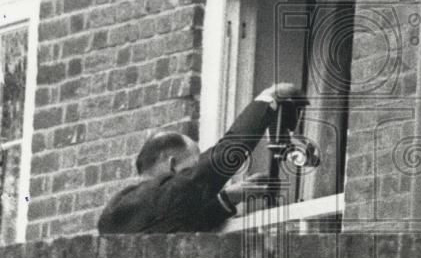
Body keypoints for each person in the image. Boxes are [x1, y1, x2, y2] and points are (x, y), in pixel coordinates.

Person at [97, 82, 301, 234]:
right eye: (193, 166)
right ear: (173, 165)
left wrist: (231, 197)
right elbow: (225, 154)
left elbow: (190, 221)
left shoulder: (128, 208)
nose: (197, 172)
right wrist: (268, 98)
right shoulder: (158, 198)